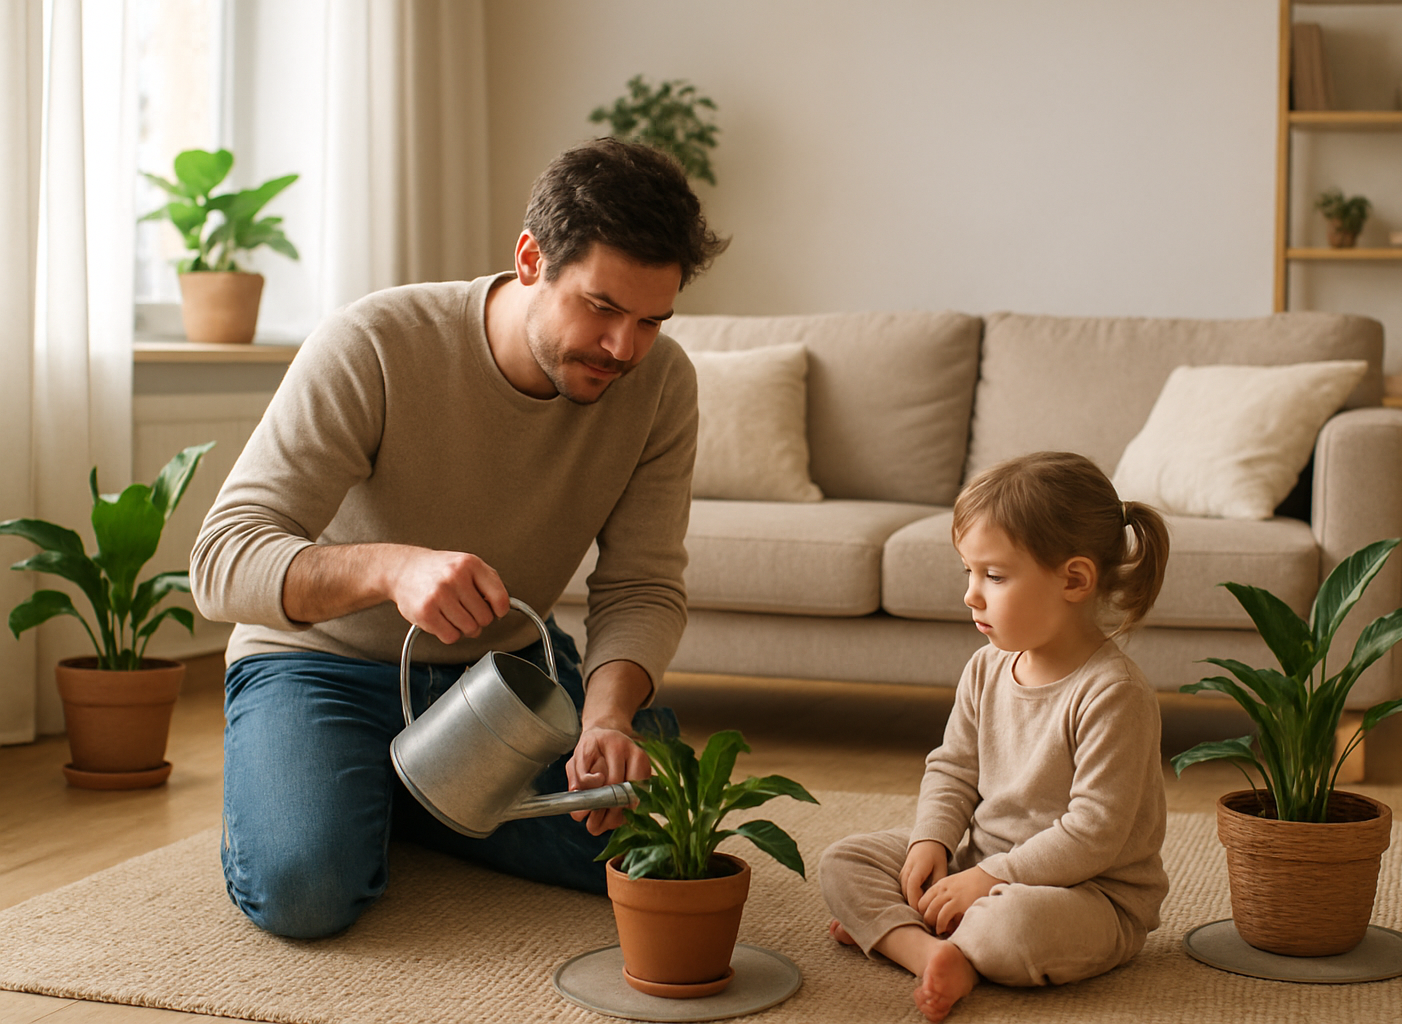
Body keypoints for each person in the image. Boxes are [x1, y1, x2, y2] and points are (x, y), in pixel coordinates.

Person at [191, 138, 727, 939]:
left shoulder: (661, 384)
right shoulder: (375, 342)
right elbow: (220, 560)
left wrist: (607, 719)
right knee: (307, 887)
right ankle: (400, 795)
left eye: (652, 319)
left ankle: (413, 796)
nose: (626, 348)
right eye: (603, 308)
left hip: (504, 680)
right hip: (321, 664)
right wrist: (391, 569)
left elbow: (642, 584)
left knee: (657, 850)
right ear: (529, 259)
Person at [819, 451, 1172, 1022]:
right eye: (968, 572)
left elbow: (1093, 834)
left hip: (1089, 894)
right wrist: (930, 842)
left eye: (995, 576)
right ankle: (936, 950)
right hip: (978, 861)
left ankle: (901, 937)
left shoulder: (1115, 692)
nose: (971, 595)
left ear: (1074, 579)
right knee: (844, 861)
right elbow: (953, 767)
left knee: (1013, 927)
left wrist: (990, 880)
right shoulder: (985, 667)